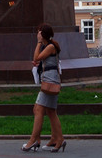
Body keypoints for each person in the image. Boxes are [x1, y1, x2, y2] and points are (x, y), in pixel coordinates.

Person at [22, 24, 65, 153]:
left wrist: (38, 43)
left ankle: (34, 140)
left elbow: (36, 57)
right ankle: (58, 139)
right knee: (51, 112)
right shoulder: (49, 46)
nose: (37, 34)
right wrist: (39, 63)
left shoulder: (50, 46)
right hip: (51, 80)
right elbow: (42, 60)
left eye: (39, 32)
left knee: (38, 109)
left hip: (50, 82)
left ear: (43, 34)